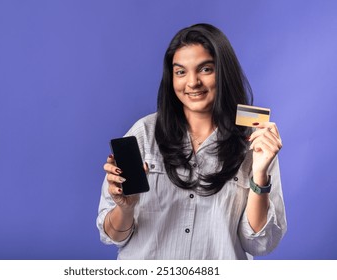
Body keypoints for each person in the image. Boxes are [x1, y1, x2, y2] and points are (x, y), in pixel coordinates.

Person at [97, 23, 287, 259]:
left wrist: (260, 176)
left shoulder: (254, 142)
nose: (192, 82)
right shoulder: (143, 133)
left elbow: (260, 244)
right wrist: (125, 208)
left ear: (223, 72)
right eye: (180, 72)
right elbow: (114, 236)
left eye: (205, 69)